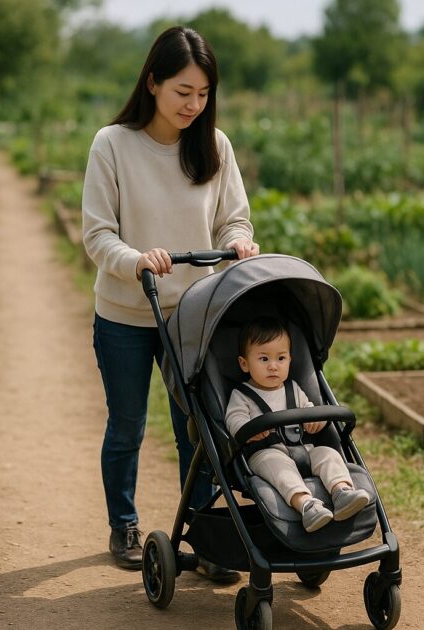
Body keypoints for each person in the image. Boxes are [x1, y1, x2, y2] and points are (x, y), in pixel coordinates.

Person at [82, 25, 258, 579]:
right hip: (127, 314)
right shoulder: (112, 144)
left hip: (195, 315)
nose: (194, 104)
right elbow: (97, 234)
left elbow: (235, 216)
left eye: (203, 94)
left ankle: (206, 534)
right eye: (183, 91)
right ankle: (125, 525)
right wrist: (135, 258)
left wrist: (237, 242)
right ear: (153, 83)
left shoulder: (215, 145)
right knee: (128, 424)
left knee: (200, 425)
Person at [225, 317, 371, 533]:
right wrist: (248, 430)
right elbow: (234, 420)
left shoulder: (293, 389)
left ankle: (342, 492)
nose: (273, 366)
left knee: (328, 454)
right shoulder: (242, 395)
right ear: (244, 364)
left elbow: (310, 410)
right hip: (265, 454)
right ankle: (307, 506)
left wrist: (316, 421)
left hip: (304, 451)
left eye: (281, 358)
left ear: (290, 360)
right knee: (279, 468)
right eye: (264, 359)